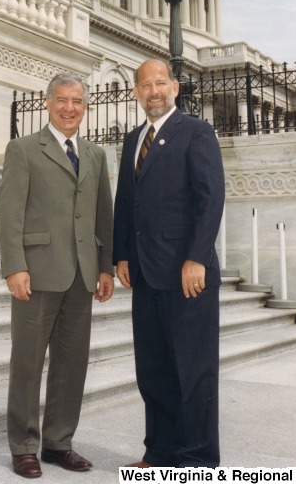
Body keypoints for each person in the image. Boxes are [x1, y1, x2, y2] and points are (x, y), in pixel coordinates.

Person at [0, 72, 114, 478]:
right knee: (27, 364)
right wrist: (14, 265)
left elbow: (104, 215)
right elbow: (10, 213)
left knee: (72, 364)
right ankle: (24, 446)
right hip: (38, 274)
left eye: (77, 101)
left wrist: (105, 268)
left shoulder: (96, 156)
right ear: (48, 103)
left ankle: (59, 443)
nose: (70, 108)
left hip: (83, 276)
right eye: (62, 100)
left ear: (85, 106)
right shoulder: (24, 149)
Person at [113, 59, 225, 468]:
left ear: (175, 87)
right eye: (146, 85)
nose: (154, 91)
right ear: (137, 92)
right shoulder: (132, 140)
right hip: (144, 273)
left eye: (161, 83)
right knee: (154, 372)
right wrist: (121, 255)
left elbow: (210, 199)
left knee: (193, 374)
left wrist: (197, 257)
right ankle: (159, 453)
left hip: (185, 275)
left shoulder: (196, 132)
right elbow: (126, 202)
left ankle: (196, 461)